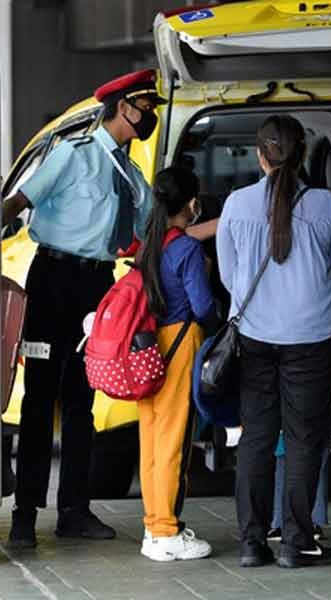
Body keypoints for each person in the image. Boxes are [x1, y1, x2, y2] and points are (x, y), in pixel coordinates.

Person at [1, 70, 163, 547]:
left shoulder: (130, 174)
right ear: (120, 107)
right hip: (53, 280)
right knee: (38, 399)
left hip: (96, 284)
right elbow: (19, 201)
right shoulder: (71, 155)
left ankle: (74, 510)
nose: (148, 116)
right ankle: (25, 515)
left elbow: (148, 226)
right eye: (143, 107)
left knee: (82, 401)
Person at [217, 115, 331, 569]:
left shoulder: (236, 204)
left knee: (256, 436)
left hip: (254, 335)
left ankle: (251, 543)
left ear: (260, 157)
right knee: (304, 437)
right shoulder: (326, 204)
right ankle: (297, 542)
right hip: (313, 337)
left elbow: (228, 276)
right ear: (304, 155)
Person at [136, 167, 218, 562]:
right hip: (180, 344)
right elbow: (202, 306)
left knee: (152, 440)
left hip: (148, 346)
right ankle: (166, 531)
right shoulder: (185, 248)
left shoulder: (150, 244)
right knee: (173, 442)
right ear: (190, 203)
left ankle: (155, 525)